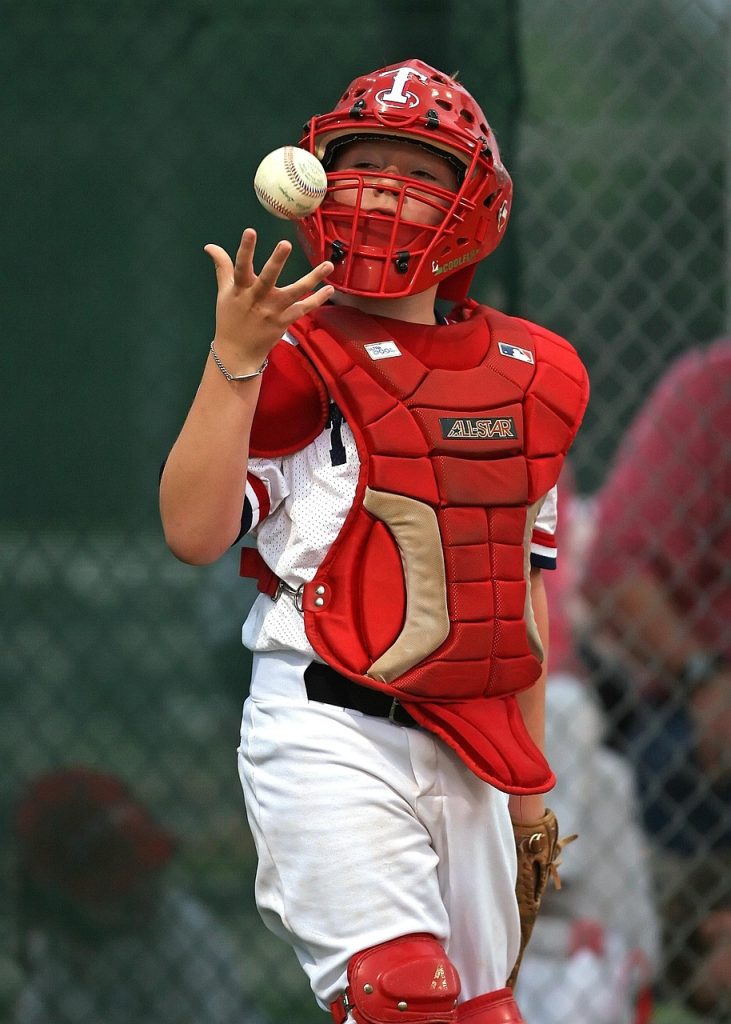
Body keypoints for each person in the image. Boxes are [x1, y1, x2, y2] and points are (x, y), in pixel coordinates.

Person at [160, 59, 589, 1024]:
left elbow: (512, 602)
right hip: (329, 727)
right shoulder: (294, 355)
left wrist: (527, 797)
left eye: (418, 167)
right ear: (316, 182)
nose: (385, 187)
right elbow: (191, 533)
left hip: (473, 748)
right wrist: (235, 359)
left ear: (476, 202)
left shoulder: (534, 376)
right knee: (404, 999)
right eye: (363, 162)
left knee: (482, 1012)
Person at [581, 337, 731, 1020]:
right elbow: (615, 574)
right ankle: (690, 949)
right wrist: (703, 676)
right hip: (696, 724)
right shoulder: (713, 390)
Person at [13, 766, 265, 1024]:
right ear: (65, 894)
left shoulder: (181, 933)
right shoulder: (53, 950)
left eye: (148, 872)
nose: (144, 891)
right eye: (121, 886)